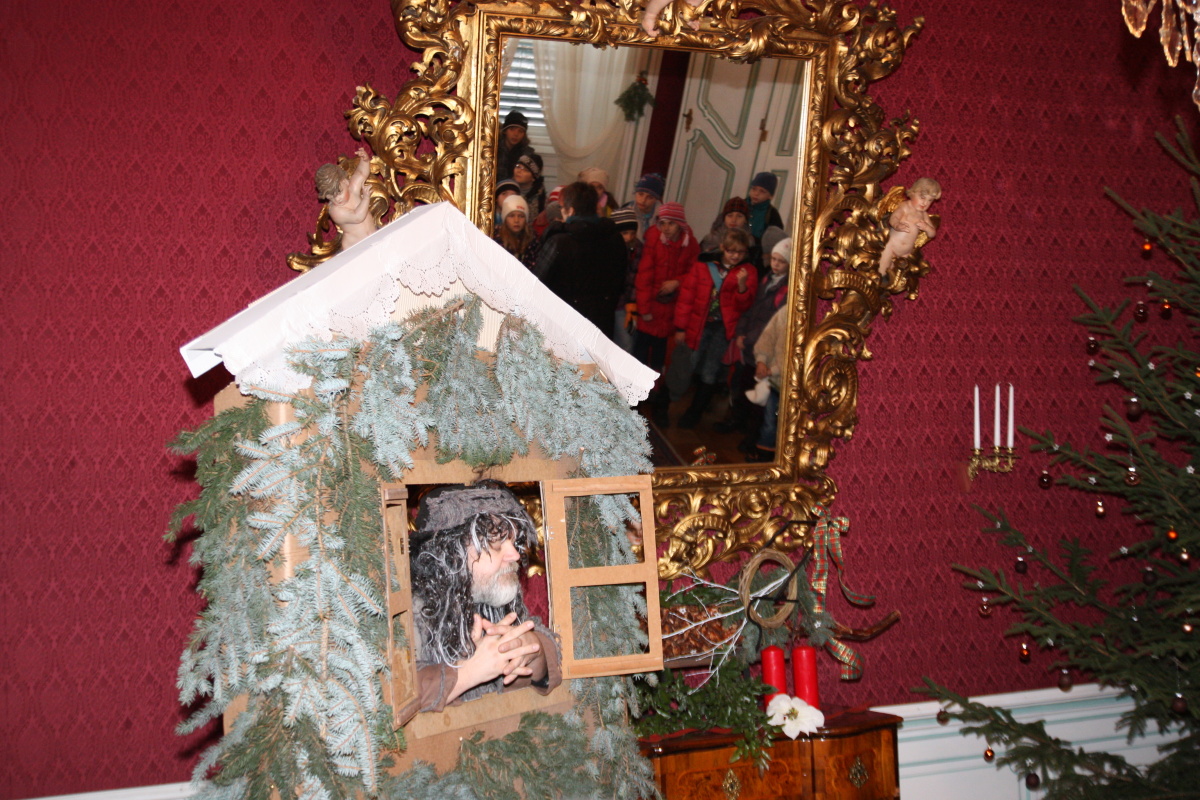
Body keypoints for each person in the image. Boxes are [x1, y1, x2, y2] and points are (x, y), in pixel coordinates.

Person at [406, 481, 561, 718]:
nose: (514, 554)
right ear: (451, 552)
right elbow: (391, 700)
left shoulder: (494, 598)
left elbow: (537, 675)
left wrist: (532, 649)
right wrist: (468, 674)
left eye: (514, 541)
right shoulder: (405, 614)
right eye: (495, 542)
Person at [672, 228, 757, 429]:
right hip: (698, 324)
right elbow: (687, 297)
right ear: (722, 248)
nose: (735, 256)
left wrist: (742, 286)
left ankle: (695, 412)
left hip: (722, 329)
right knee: (688, 364)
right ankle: (666, 402)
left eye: (740, 252)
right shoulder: (704, 265)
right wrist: (680, 327)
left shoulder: (748, 272)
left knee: (711, 370)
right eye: (731, 251)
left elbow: (745, 306)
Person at [717, 236, 792, 442]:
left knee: (760, 392)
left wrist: (749, 337)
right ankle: (737, 419)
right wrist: (741, 332)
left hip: (765, 347)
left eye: (781, 261)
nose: (776, 264)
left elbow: (771, 322)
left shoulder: (787, 289)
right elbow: (750, 307)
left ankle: (752, 435)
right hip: (750, 343)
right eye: (774, 259)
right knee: (743, 385)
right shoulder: (766, 279)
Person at [534, 181, 628, 333]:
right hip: (601, 324)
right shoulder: (615, 238)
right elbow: (621, 280)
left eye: (562, 208)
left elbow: (538, 283)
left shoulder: (559, 241)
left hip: (563, 324)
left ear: (570, 211)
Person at [634, 202, 699, 374]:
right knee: (640, 352)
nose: (666, 228)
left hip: (671, 307)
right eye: (662, 223)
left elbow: (694, 273)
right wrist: (644, 309)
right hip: (651, 305)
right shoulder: (654, 240)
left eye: (671, 223)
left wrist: (677, 282)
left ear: (680, 224)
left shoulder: (690, 244)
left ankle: (654, 384)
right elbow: (644, 277)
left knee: (659, 352)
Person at [314, 147, 377, 250]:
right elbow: (358, 217)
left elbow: (361, 173)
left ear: (345, 181)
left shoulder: (352, 189)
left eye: (339, 193)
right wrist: (366, 198)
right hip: (355, 247)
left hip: (373, 237)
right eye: (330, 197)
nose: (336, 199)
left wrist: (364, 160)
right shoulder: (336, 211)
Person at [878, 177, 941, 275]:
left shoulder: (924, 215)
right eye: (922, 197)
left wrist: (927, 227)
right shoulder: (905, 206)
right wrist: (897, 225)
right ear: (913, 193)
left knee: (895, 275)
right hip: (891, 247)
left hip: (906, 253)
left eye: (930, 200)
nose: (925, 203)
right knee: (882, 270)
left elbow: (932, 233)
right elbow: (894, 218)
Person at [611, 207, 644, 353]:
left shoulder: (637, 249)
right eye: (624, 233)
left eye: (632, 233)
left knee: (626, 343)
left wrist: (631, 301)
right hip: (611, 302)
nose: (629, 237)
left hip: (625, 304)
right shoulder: (610, 248)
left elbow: (635, 277)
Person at [700, 196, 757, 261]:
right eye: (730, 215)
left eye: (739, 216)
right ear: (724, 218)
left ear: (745, 220)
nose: (734, 220)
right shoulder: (710, 239)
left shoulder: (750, 242)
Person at [493, 194, 538, 270]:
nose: (516, 220)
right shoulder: (496, 238)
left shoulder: (532, 240)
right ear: (505, 219)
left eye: (521, 216)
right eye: (511, 216)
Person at [497, 109, 536, 186]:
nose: (516, 134)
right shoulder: (494, 149)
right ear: (505, 131)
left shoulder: (527, 154)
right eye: (512, 129)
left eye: (520, 131)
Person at [623, 172, 665, 241]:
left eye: (650, 197)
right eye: (640, 194)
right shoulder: (625, 213)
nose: (643, 200)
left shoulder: (663, 217)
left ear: (656, 199)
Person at [746, 171, 785, 241]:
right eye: (754, 189)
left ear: (771, 196)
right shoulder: (740, 204)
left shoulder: (772, 214)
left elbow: (775, 238)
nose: (756, 193)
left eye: (762, 191)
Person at [513, 153, 547, 217]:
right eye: (518, 166)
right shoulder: (506, 190)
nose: (519, 171)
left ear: (533, 177)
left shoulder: (541, 200)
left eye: (525, 170)